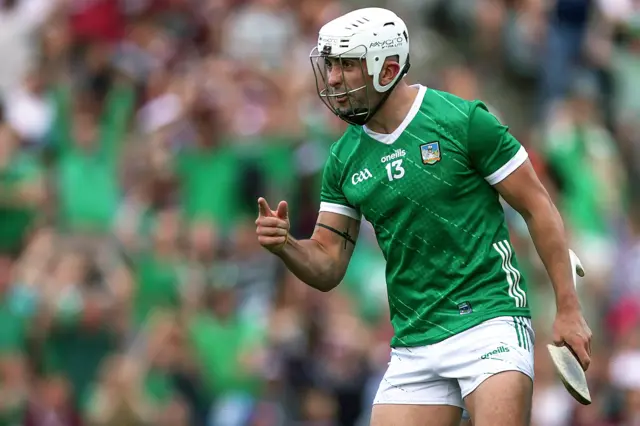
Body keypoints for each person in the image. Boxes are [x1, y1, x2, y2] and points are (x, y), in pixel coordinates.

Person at [255, 7, 592, 426]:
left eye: (347, 64)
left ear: (388, 67)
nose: (335, 78)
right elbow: (327, 265)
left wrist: (568, 309)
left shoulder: (462, 121)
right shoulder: (343, 159)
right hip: (415, 342)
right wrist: (286, 245)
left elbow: (538, 207)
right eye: (331, 65)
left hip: (489, 320)